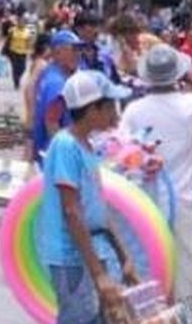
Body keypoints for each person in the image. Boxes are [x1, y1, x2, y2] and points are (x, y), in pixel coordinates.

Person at [120, 45, 192, 323]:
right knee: (188, 270)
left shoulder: (133, 110)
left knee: (146, 267)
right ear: (178, 74)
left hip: (144, 203)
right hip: (183, 201)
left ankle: (148, 318)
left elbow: (122, 154)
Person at [39, 71, 137, 323]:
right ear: (93, 109)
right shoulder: (65, 146)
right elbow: (71, 211)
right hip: (70, 257)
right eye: (110, 107)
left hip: (92, 250)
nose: (115, 114)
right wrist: (98, 274)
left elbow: (98, 207)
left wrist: (124, 255)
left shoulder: (87, 146)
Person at [29, 30, 83, 162]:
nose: (78, 54)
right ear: (58, 53)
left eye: (79, 50)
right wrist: (64, 156)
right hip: (53, 157)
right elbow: (52, 123)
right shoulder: (57, 83)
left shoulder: (49, 73)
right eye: (73, 50)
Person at [21, 32, 52, 132]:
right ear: (46, 47)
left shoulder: (38, 62)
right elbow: (30, 86)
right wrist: (33, 110)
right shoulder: (42, 64)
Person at [3, 15, 31, 91]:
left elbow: (28, 41)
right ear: (17, 23)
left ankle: (18, 77)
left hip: (23, 52)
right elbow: (7, 41)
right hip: (13, 52)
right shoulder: (12, 30)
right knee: (15, 68)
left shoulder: (27, 31)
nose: (21, 24)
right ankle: (16, 83)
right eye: (20, 22)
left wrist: (29, 50)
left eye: (23, 22)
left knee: (23, 68)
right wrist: (5, 51)